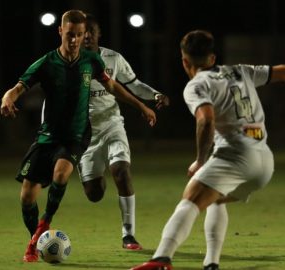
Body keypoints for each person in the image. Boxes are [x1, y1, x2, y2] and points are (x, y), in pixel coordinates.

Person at [130, 30, 285, 270]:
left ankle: (161, 258)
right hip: (265, 162)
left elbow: (205, 120)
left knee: (190, 200)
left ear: (184, 61)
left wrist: (200, 161)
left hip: (235, 155)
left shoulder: (196, 85)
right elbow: (284, 70)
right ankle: (211, 262)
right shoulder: (241, 70)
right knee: (216, 200)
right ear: (212, 58)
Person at [0, 10, 156, 263]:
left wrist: (142, 106)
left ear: (85, 36)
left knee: (61, 174)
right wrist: (7, 98)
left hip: (77, 135)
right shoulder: (46, 63)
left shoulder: (91, 62)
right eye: (70, 34)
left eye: (79, 35)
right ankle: (36, 239)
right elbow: (18, 87)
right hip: (48, 136)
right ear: (61, 32)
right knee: (27, 195)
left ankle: (45, 224)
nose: (75, 40)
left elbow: (113, 86)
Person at [78, 13, 170, 250]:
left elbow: (133, 83)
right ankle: (94, 172)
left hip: (112, 124)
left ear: (99, 34)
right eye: (82, 31)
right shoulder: (70, 61)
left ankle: (128, 235)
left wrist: (155, 94)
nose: (87, 35)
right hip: (85, 133)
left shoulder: (113, 59)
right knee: (94, 194)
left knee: (121, 171)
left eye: (91, 30)